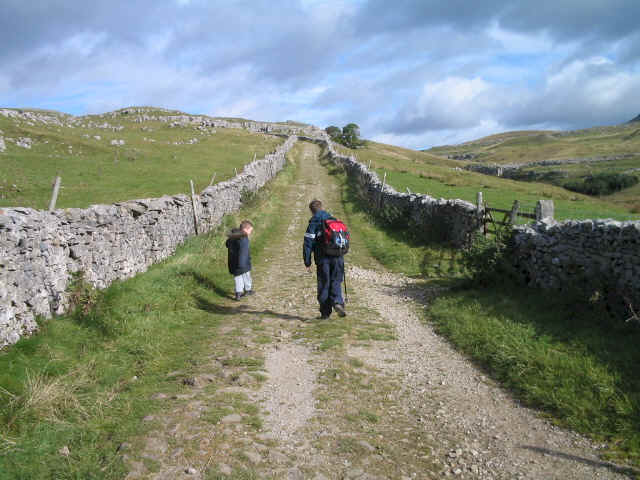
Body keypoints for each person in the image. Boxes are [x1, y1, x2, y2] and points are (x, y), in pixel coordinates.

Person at [303, 199, 346, 319]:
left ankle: (325, 313)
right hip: (338, 257)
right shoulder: (333, 219)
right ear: (322, 207)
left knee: (324, 283)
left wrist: (307, 261)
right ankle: (337, 302)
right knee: (336, 281)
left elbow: (308, 243)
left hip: (323, 259)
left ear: (311, 211)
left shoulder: (314, 222)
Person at [226, 220, 254, 301]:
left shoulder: (233, 236)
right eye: (250, 231)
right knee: (246, 276)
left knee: (238, 278)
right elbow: (243, 251)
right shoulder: (244, 239)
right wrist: (242, 264)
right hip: (243, 263)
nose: (250, 233)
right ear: (245, 229)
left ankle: (238, 293)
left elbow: (227, 244)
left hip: (233, 262)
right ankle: (248, 290)